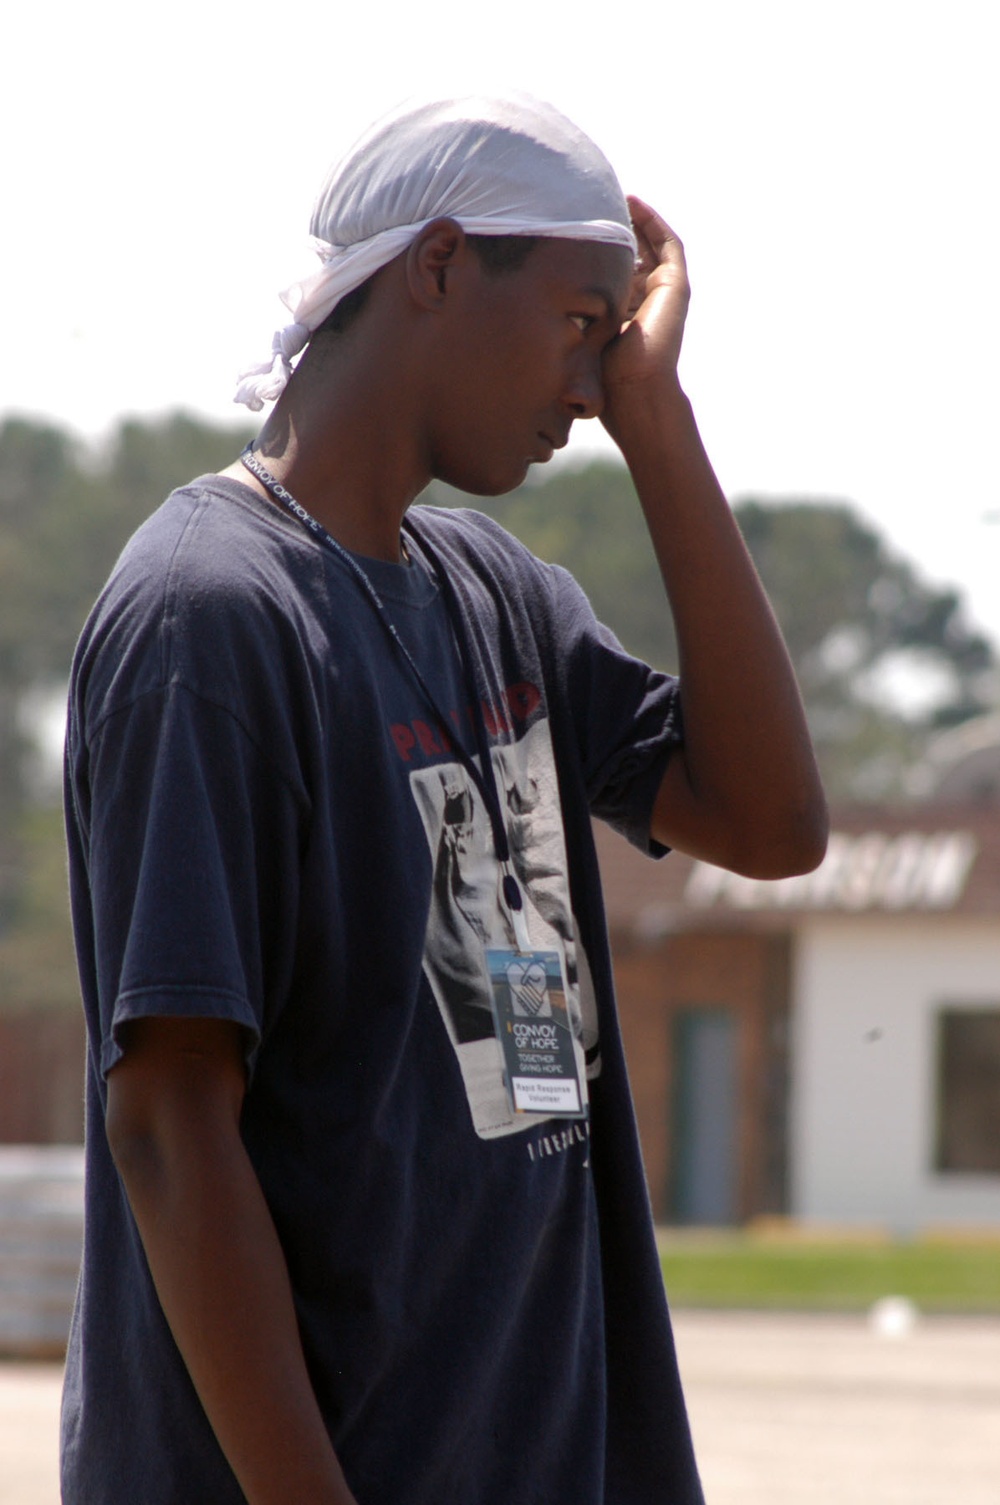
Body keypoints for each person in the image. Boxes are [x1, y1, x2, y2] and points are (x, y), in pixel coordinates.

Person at [60, 93, 827, 1504]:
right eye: (585, 325)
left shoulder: (497, 599)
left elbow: (774, 825)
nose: (595, 384)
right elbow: (169, 1121)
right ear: (435, 265)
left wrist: (662, 424)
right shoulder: (211, 618)